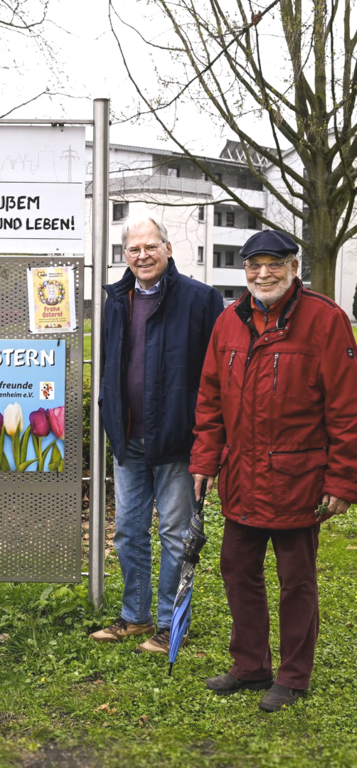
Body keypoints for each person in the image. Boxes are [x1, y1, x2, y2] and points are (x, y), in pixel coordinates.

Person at [191, 229, 357, 711]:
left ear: (293, 267)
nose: (263, 274)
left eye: (274, 264)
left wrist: (342, 480)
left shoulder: (325, 320)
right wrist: (204, 460)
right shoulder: (228, 321)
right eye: (254, 265)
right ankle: (250, 666)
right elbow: (209, 400)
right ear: (244, 270)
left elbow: (346, 409)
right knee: (237, 570)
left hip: (297, 480)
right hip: (241, 477)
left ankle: (293, 676)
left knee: (296, 580)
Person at [91, 213, 223, 652]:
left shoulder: (200, 299)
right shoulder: (117, 299)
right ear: (125, 254)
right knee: (128, 532)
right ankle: (136, 616)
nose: (143, 255)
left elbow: (216, 374)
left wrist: (208, 439)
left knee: (174, 533)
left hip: (177, 439)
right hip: (128, 437)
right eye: (134, 249)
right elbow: (110, 363)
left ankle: (171, 623)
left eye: (151, 246)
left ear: (168, 248)